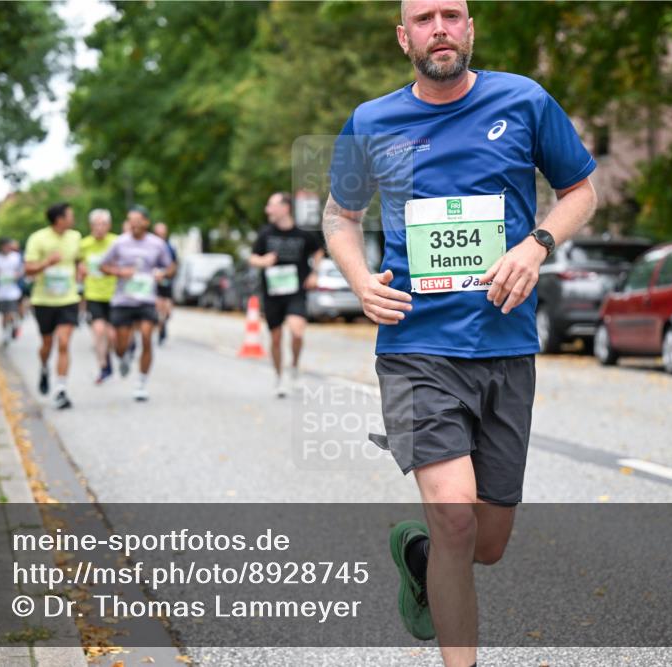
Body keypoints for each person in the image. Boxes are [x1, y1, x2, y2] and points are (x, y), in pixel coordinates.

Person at [322, 2, 598, 664]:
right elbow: (340, 214)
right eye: (423, 18)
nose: (439, 27)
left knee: (487, 540)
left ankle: (420, 555)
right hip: (415, 347)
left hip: (504, 346)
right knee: (453, 513)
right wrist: (361, 281)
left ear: (470, 29)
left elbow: (582, 189)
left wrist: (536, 244)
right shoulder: (371, 121)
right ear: (403, 37)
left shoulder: (525, 101)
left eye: (452, 14)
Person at [248, 192, 324, 397]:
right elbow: (252, 258)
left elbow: (318, 251)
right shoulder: (265, 234)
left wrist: (315, 273)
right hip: (273, 294)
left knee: (297, 331)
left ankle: (295, 366)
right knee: (276, 337)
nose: (267, 210)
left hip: (296, 291)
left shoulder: (302, 234)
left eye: (271, 205)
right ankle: (279, 377)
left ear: (285, 208)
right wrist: (263, 262)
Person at [99, 205, 175, 402]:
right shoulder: (119, 243)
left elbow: (170, 266)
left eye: (137, 220)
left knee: (147, 336)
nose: (133, 224)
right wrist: (120, 272)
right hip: (123, 299)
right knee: (121, 344)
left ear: (146, 222)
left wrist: (163, 274)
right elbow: (103, 265)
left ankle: (141, 383)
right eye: (130, 220)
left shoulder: (157, 244)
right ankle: (123, 356)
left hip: (146, 299)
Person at [24, 202, 82, 410]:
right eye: (70, 215)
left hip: (68, 299)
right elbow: (28, 269)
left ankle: (61, 390)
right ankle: (44, 367)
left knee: (64, 342)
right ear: (59, 219)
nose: (73, 219)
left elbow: (79, 260)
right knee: (47, 344)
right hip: (44, 301)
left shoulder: (75, 237)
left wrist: (81, 270)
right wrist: (47, 263)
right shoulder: (38, 238)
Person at [79, 209, 119, 383]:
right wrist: (80, 270)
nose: (99, 228)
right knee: (98, 331)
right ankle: (103, 367)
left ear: (109, 226)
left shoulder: (116, 242)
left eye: (103, 224)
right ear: (91, 226)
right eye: (96, 224)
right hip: (93, 293)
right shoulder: (84, 244)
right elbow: (78, 263)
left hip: (114, 294)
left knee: (112, 336)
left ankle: (112, 358)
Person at [0, 238, 24, 346]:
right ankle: (5, 334)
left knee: (11, 313)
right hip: (1, 292)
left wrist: (17, 275)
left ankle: (14, 325)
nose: (6, 248)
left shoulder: (16, 257)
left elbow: (22, 270)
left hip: (13, 291)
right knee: (4, 315)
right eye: (4, 246)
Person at [152, 222, 178, 344]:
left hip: (166, 281)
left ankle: (163, 324)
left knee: (167, 310)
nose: (160, 236)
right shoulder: (150, 246)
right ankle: (160, 327)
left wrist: (167, 274)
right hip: (153, 281)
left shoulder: (170, 248)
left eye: (162, 234)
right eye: (158, 234)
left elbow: (174, 265)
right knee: (158, 305)